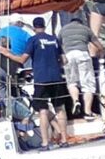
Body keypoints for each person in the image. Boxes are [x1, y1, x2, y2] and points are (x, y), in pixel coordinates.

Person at [25, 17, 71, 147]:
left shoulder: (33, 40)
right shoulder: (53, 39)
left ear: (34, 28)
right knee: (60, 109)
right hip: (56, 78)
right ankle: (64, 140)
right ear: (44, 26)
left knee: (43, 111)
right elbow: (64, 60)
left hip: (41, 80)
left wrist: (7, 53)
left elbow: (23, 59)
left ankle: (45, 142)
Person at [58, 10, 101, 125]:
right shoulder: (86, 29)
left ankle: (76, 100)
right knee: (88, 85)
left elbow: (58, 45)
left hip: (69, 56)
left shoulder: (63, 30)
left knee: (72, 83)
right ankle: (87, 112)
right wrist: (101, 53)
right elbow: (98, 45)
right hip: (83, 55)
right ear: (81, 20)